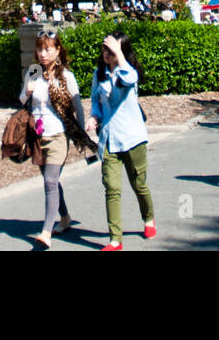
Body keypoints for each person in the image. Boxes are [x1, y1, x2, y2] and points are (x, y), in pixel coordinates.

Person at [19, 29, 94, 248]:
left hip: (59, 134)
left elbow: (77, 105)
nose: (42, 54)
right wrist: (27, 91)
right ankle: (65, 217)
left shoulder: (66, 77)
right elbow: (22, 99)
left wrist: (82, 133)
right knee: (51, 180)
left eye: (47, 49)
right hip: (37, 135)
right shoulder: (33, 72)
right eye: (40, 49)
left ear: (57, 50)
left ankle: (45, 232)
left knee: (50, 181)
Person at [91, 33, 156, 250]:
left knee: (139, 184)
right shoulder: (98, 74)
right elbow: (95, 102)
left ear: (122, 52)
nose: (107, 53)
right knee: (112, 188)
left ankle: (148, 218)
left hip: (132, 137)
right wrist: (94, 117)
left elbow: (130, 79)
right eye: (105, 49)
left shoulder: (128, 72)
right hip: (109, 139)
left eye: (112, 50)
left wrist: (119, 56)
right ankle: (115, 239)